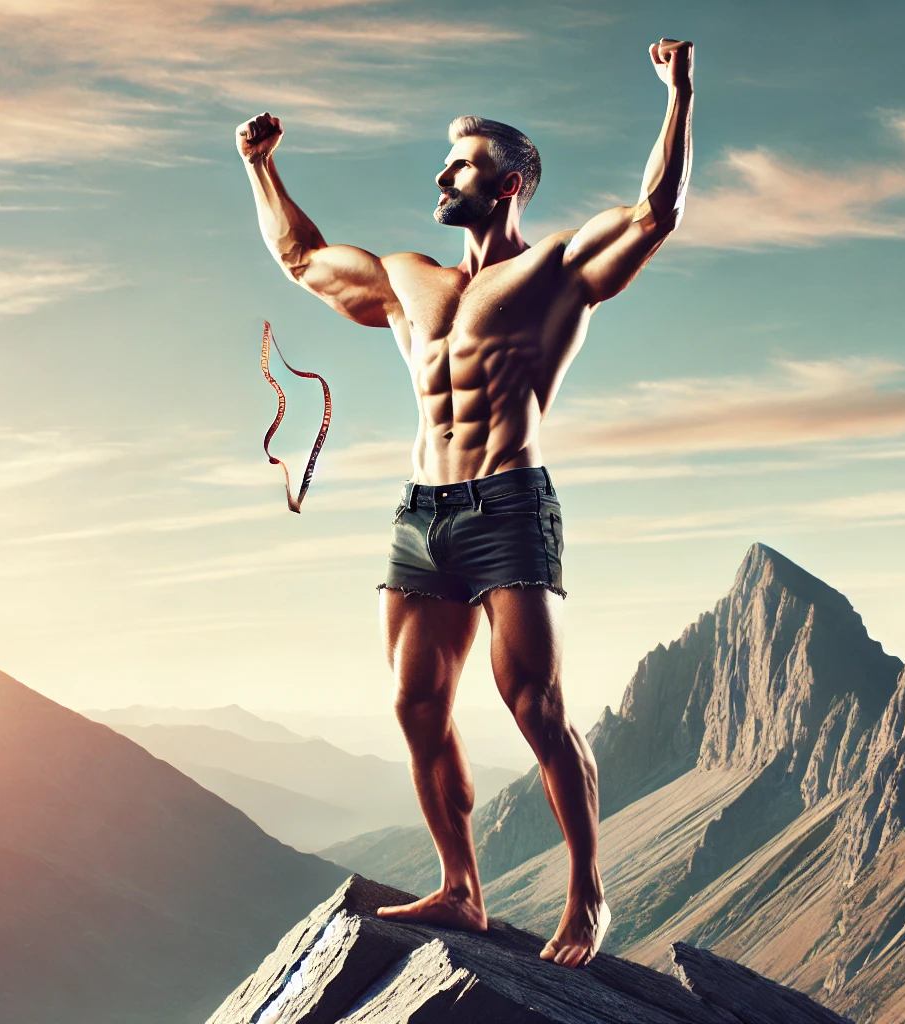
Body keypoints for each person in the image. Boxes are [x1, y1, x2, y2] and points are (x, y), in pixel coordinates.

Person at [237, 37, 693, 969]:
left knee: (535, 707)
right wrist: (261, 167)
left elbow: (655, 212)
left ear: (514, 181)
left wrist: (679, 94)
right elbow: (304, 261)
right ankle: (462, 888)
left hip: (509, 506)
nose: (445, 174)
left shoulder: (555, 274)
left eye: (467, 163)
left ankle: (588, 896)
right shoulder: (409, 280)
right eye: (447, 160)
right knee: (416, 705)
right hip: (421, 514)